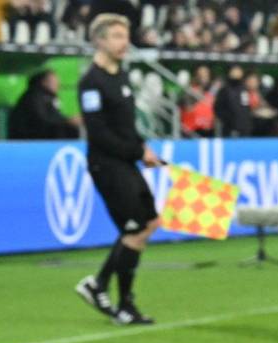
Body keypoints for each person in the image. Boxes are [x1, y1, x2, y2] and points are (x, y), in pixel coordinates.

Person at [73, 13, 163, 326]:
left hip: (125, 161)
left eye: (125, 36)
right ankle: (125, 305)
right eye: (116, 36)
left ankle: (99, 284)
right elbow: (99, 134)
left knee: (150, 223)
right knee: (135, 230)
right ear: (99, 41)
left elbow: (126, 125)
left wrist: (143, 148)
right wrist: (137, 151)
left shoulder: (121, 76)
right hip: (107, 164)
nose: (124, 43)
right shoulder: (91, 82)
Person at [8, 69, 79, 139]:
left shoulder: (46, 97)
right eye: (54, 82)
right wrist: (67, 122)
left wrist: (68, 121)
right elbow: (41, 121)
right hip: (30, 139)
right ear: (44, 82)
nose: (58, 85)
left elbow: (53, 117)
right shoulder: (34, 97)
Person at [213, 65, 253, 137]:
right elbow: (217, 108)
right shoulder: (225, 90)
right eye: (234, 71)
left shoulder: (244, 89)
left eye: (238, 71)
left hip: (245, 128)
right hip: (230, 128)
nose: (236, 73)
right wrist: (228, 120)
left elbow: (246, 107)